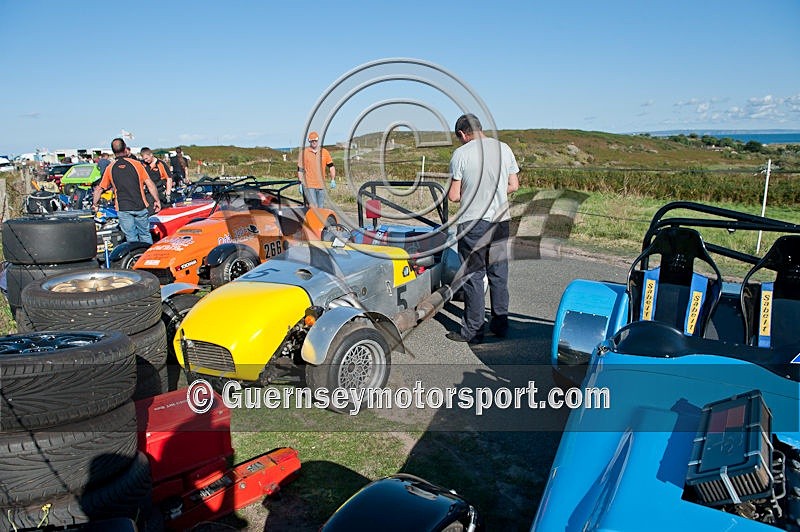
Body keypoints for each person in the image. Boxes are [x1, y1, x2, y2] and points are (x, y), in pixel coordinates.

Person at [447, 114, 520, 344]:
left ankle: (473, 331)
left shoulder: (461, 154)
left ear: (462, 134)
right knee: (498, 274)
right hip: (500, 221)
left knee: (473, 276)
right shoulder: (504, 148)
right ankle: (500, 325)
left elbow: (454, 195)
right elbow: (513, 185)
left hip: (473, 222)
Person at [92, 138, 161, 244]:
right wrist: (157, 200)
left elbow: (99, 189)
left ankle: (135, 258)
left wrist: (95, 204)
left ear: (113, 151)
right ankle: (147, 257)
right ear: (125, 149)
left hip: (123, 208)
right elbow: (150, 184)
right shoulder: (137, 164)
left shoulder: (110, 168)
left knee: (131, 238)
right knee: (145, 235)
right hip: (140, 205)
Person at [298, 131, 335, 207]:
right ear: (309, 141)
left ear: (318, 141)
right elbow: (300, 170)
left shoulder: (324, 152)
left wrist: (333, 179)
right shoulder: (304, 153)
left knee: (320, 207)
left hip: (321, 185)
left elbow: (331, 166)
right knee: (313, 206)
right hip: (309, 185)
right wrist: (300, 183)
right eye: (312, 141)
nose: (314, 142)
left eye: (315, 140)